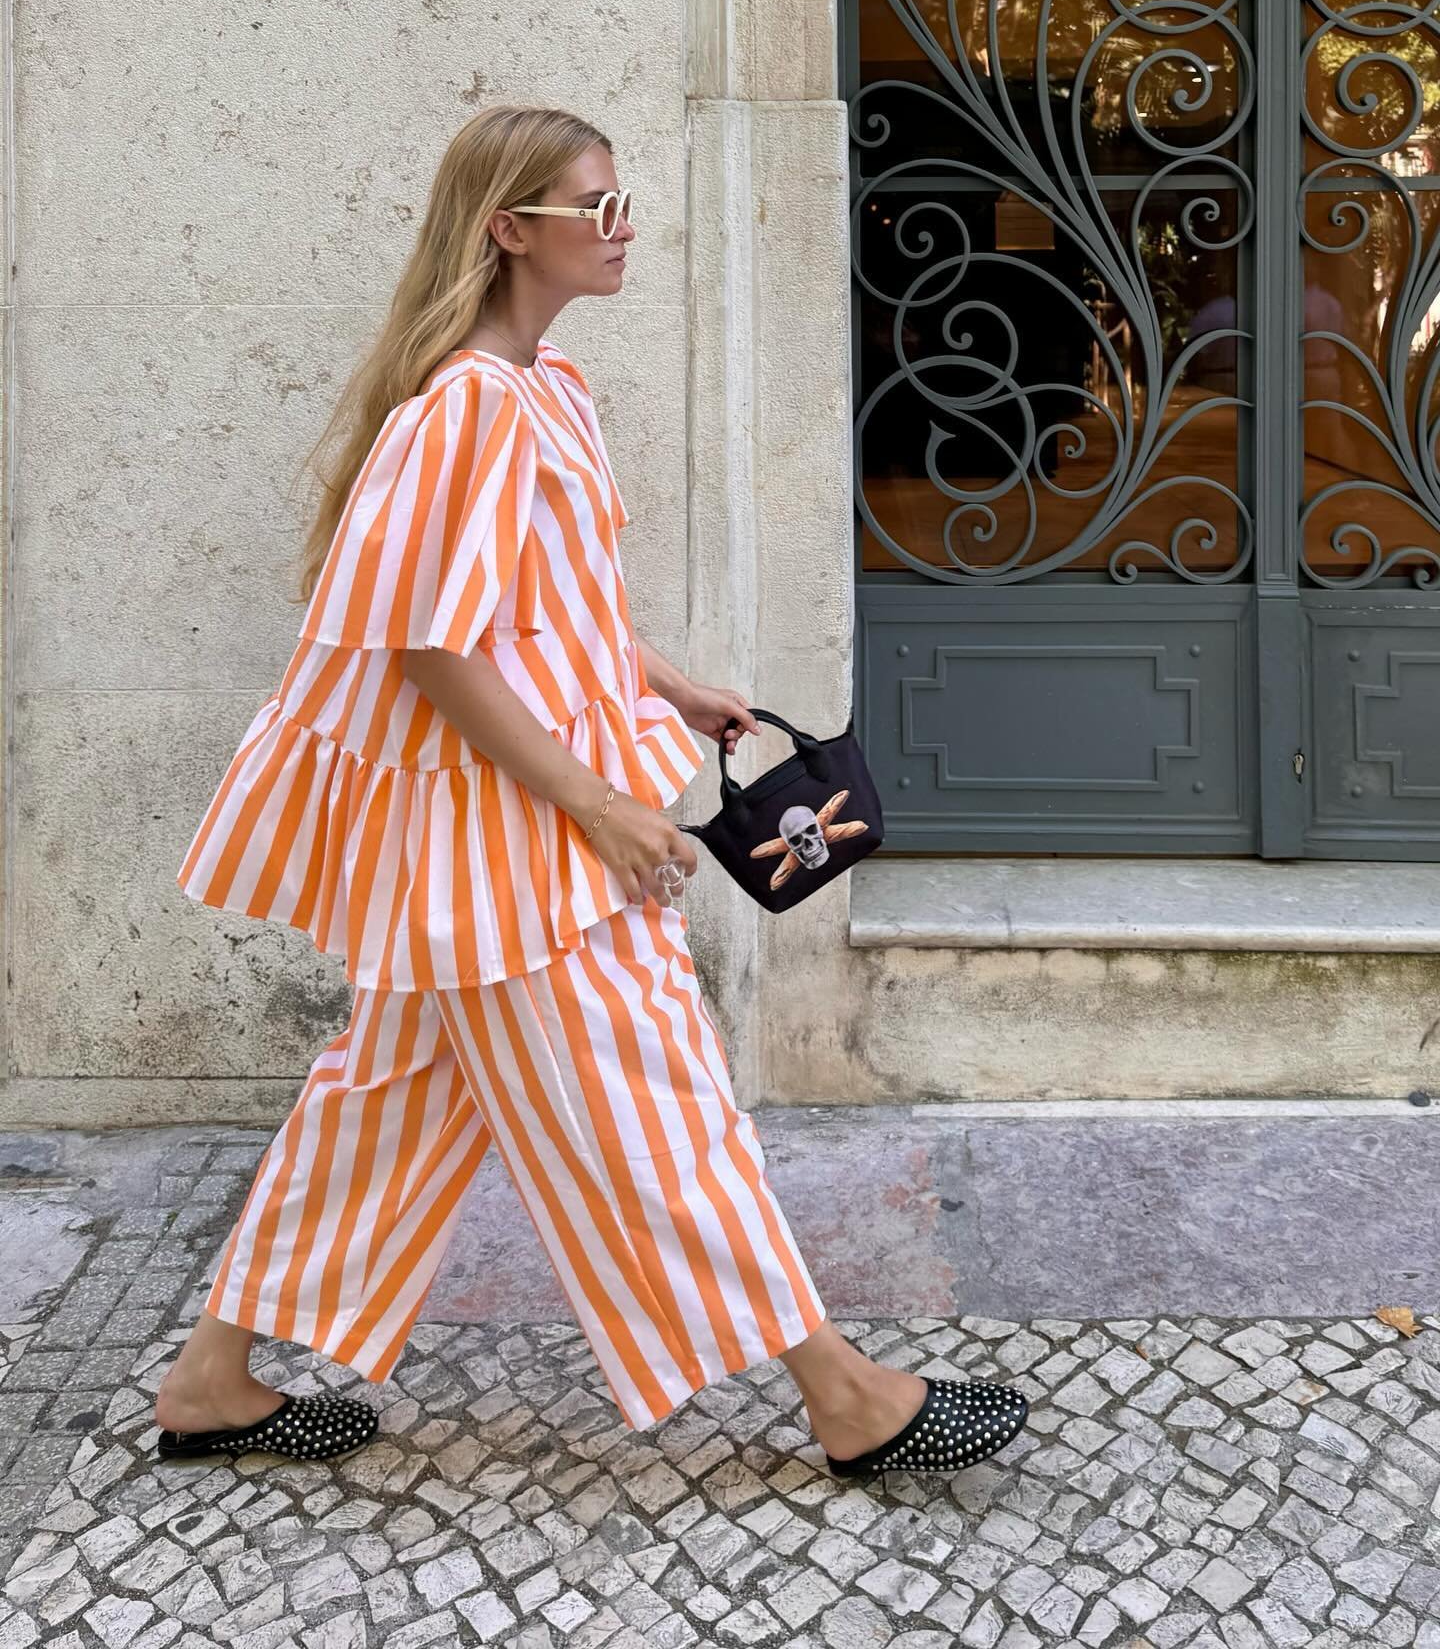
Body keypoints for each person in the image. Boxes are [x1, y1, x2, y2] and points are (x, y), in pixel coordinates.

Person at [154, 103, 1029, 1478]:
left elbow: (536, 610)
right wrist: (606, 809)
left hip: (481, 844)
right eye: (595, 207)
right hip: (516, 844)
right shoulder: (467, 413)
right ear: (512, 229)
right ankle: (845, 1396)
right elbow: (434, 649)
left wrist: (666, 683)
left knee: (379, 1105)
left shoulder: (540, 390)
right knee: (654, 1096)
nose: (622, 230)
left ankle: (212, 1378)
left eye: (623, 204)